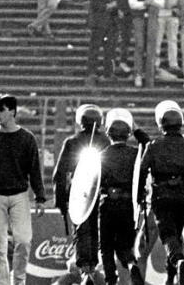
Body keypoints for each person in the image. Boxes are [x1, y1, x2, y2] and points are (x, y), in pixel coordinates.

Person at [0, 94, 45, 285]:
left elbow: (34, 170)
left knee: (23, 241)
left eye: (1, 109)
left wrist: (40, 197)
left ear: (12, 111)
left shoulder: (26, 138)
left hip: (19, 195)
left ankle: (19, 281)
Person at [140, 101, 184, 285]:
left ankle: (179, 262)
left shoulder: (154, 146)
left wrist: (139, 194)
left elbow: (141, 171)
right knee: (176, 234)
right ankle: (171, 277)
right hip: (183, 196)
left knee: (167, 234)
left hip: (161, 196)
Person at [53, 105, 109, 284]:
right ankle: (94, 269)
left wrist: (61, 201)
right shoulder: (107, 142)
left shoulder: (72, 142)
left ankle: (86, 270)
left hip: (80, 193)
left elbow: (59, 175)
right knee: (98, 232)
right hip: (103, 193)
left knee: (82, 231)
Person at [97, 109, 145, 285]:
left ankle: (111, 279)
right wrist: (137, 130)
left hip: (108, 204)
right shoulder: (136, 154)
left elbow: (95, 184)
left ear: (108, 133)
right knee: (125, 245)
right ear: (128, 134)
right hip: (129, 206)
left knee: (106, 246)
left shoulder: (101, 155)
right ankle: (132, 264)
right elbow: (148, 144)